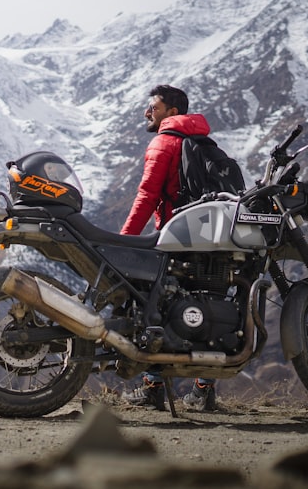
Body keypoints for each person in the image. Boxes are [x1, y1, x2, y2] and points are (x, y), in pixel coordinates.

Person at [119, 84, 217, 411]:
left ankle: (152, 387)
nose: (148, 112)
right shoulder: (201, 139)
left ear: (172, 112)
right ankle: (203, 389)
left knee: (155, 307)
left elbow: (147, 195)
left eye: (155, 107)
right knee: (206, 304)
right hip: (207, 233)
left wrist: (126, 241)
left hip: (176, 235)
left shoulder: (165, 142)